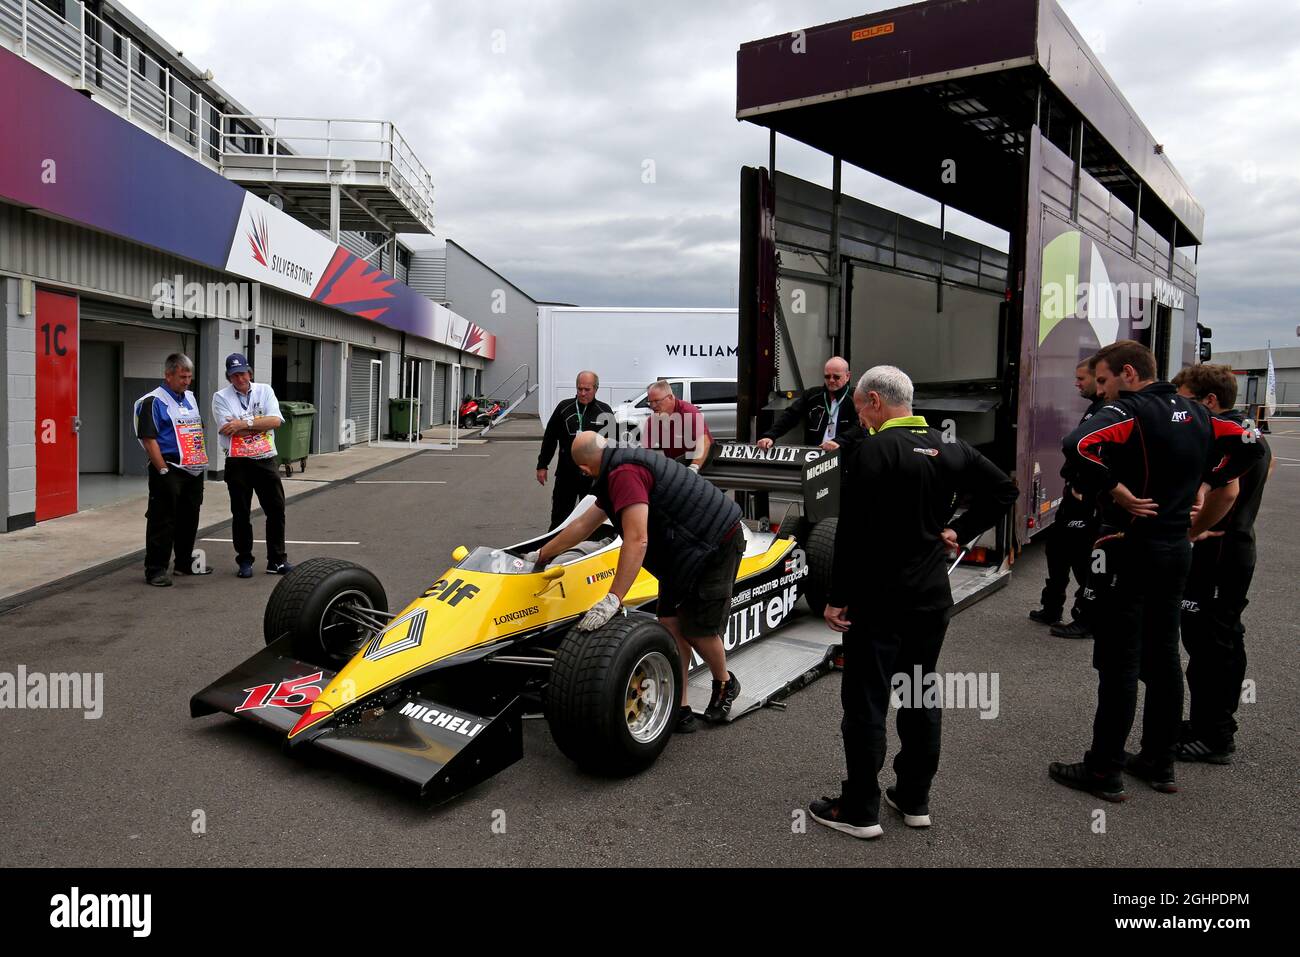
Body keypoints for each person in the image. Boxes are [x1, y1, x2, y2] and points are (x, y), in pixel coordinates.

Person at [1048, 341, 1264, 801]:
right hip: (1175, 550)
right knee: (1165, 656)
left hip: (1130, 545)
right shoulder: (1199, 412)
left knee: (1120, 662)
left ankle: (1103, 769)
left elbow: (1077, 445)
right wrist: (1210, 478)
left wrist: (1116, 489)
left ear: (1128, 373)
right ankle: (1159, 761)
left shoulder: (1132, 411)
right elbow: (1253, 440)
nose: (1101, 392)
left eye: (1103, 381)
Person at [815, 366, 1017, 839]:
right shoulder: (950, 445)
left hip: (880, 599)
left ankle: (861, 808)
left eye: (862, 406)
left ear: (874, 403)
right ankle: (914, 798)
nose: (860, 417)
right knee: (919, 690)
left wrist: (836, 599)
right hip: (930, 596)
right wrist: (960, 531)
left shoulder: (872, 449)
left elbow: (853, 532)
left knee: (867, 700)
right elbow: (1005, 490)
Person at [532, 431, 744, 731]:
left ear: (584, 468)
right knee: (670, 624)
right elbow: (582, 524)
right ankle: (680, 706)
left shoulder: (624, 473)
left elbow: (637, 539)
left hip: (715, 542)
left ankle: (725, 684)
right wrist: (541, 555)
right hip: (682, 548)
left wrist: (613, 598)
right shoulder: (614, 468)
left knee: (698, 630)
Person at [1171, 363, 1273, 764]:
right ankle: (1203, 724)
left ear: (1210, 401)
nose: (1180, 411)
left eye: (1186, 402)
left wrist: (1193, 530)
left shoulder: (1229, 437)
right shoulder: (1246, 430)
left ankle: (1215, 736)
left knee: (1213, 645)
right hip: (1231, 548)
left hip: (1220, 553)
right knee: (1209, 643)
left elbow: (1226, 493)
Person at [1029, 357, 1104, 637]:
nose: (1077, 383)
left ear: (1099, 379)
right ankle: (1051, 608)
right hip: (1073, 498)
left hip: (1086, 503)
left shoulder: (1106, 410)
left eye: (1082, 379)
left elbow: (1094, 453)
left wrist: (1087, 486)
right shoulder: (1095, 408)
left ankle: (1086, 619)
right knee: (1057, 552)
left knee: (1082, 560)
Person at [212, 353, 293, 578]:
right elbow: (226, 428)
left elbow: (275, 421)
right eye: (235, 375)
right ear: (229, 377)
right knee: (241, 513)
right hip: (237, 462)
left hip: (265, 459)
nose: (240, 378)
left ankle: (276, 560)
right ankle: (244, 560)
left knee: (276, 509)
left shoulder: (265, 391)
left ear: (250, 372)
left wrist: (243, 423)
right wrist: (259, 425)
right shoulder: (220, 397)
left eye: (243, 373)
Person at [133, 353, 209, 587]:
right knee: (162, 520)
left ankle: (184, 563)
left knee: (189, 517)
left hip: (192, 470)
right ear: (168, 375)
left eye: (189, 377)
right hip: (168, 468)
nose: (187, 381)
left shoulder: (190, 398)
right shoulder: (152, 401)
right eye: (182, 377)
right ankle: (156, 569)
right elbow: (149, 439)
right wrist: (163, 470)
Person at [536, 371, 614, 530]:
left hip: (593, 478)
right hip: (566, 475)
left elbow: (613, 444)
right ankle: (553, 552)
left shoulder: (604, 410)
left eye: (587, 389)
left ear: (596, 389)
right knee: (559, 519)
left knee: (593, 522)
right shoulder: (564, 408)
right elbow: (550, 437)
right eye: (580, 389)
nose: (583, 393)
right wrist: (542, 465)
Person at [757, 356, 862, 452]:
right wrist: (770, 436)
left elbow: (860, 426)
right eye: (827, 376)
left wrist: (839, 441)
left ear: (847, 376)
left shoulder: (855, 397)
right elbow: (790, 416)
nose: (831, 380)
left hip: (844, 455)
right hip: (814, 455)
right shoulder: (812, 395)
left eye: (836, 377)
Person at [641, 379, 712, 470]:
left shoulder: (689, 412)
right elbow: (645, 449)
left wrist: (694, 467)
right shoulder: (653, 420)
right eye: (650, 402)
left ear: (670, 398)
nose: (653, 406)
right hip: (676, 465)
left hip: (701, 463)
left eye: (657, 401)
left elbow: (704, 441)